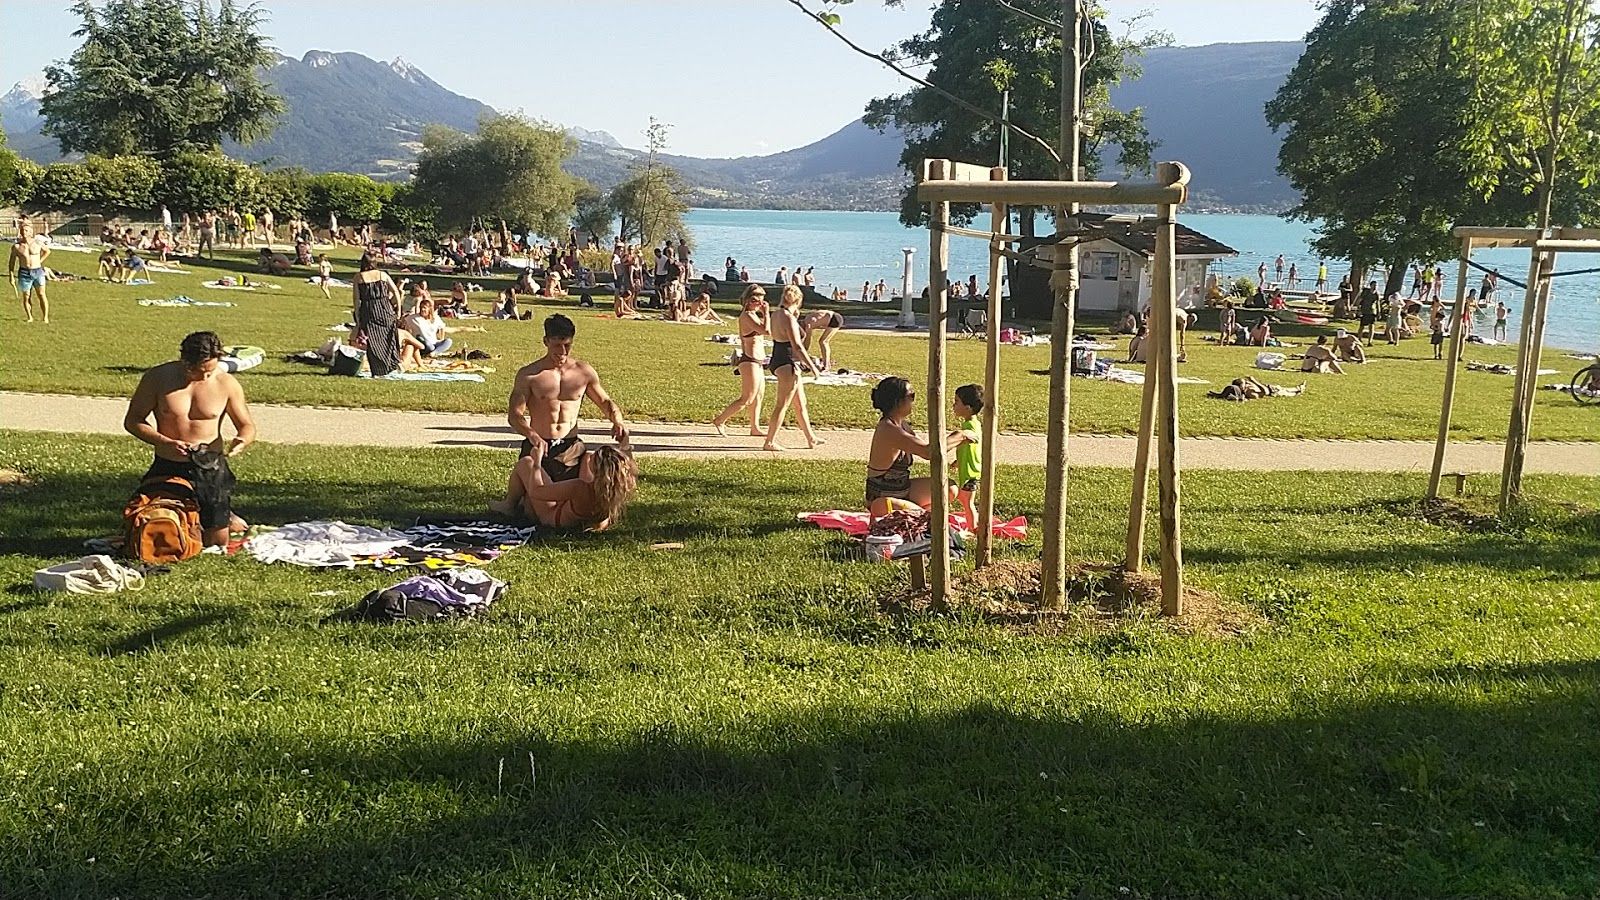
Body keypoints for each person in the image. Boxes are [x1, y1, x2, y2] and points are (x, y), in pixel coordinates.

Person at [122, 331, 256, 546]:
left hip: (209, 466)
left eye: (209, 371)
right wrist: (164, 441)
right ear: (184, 361)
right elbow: (133, 421)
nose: (204, 377)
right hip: (168, 464)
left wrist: (242, 440)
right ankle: (226, 518)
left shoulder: (226, 383)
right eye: (198, 371)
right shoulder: (157, 378)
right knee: (150, 527)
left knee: (216, 543)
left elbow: (247, 425)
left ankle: (225, 518)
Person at [493, 314, 629, 515]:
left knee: (584, 476)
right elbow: (515, 415)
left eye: (567, 345)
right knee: (531, 509)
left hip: (571, 447)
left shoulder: (583, 372)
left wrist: (617, 419)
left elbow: (605, 401)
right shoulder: (529, 374)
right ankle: (510, 504)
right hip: (540, 445)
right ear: (546, 342)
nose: (562, 352)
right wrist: (533, 436)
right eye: (557, 345)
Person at [864, 376, 971, 519]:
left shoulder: (902, 425)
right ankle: (920, 517)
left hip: (903, 488)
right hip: (882, 498)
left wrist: (960, 442)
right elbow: (928, 452)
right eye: (911, 396)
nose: (914, 400)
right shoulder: (888, 429)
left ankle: (914, 514)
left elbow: (931, 448)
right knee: (915, 513)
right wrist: (960, 436)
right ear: (898, 401)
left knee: (949, 488)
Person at [498, 440, 637, 532]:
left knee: (526, 462)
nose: (591, 457)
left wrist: (537, 462)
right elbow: (628, 465)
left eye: (594, 459)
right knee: (586, 456)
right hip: (594, 522)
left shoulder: (579, 487)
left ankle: (509, 505)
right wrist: (625, 443)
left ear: (596, 469)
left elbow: (536, 491)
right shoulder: (621, 486)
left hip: (554, 519)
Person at [762, 285, 824, 451]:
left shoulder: (776, 314)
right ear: (798, 301)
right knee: (782, 404)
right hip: (787, 362)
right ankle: (769, 442)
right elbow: (797, 346)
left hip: (778, 357)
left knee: (800, 403)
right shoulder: (788, 317)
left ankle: (811, 438)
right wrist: (813, 367)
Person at [712, 285, 769, 436]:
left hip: (757, 361)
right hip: (749, 361)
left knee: (758, 395)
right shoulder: (747, 316)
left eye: (762, 301)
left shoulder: (754, 314)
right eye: (757, 301)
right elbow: (766, 331)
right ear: (749, 301)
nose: (760, 304)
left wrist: (762, 313)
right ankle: (720, 420)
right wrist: (767, 313)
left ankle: (754, 427)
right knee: (747, 398)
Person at [352, 253, 404, 377]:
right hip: (385, 308)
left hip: (369, 310)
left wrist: (357, 315)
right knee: (389, 337)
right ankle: (392, 362)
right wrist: (399, 310)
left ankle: (377, 370)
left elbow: (356, 299)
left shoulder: (358, 277)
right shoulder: (383, 275)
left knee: (373, 342)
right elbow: (396, 291)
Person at [951, 384, 985, 530]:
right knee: (965, 500)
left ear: (968, 407)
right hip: (970, 472)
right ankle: (974, 525)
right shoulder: (971, 424)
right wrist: (958, 462)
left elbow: (973, 441)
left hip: (971, 473)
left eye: (957, 401)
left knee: (967, 502)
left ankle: (973, 528)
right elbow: (969, 450)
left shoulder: (970, 427)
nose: (953, 405)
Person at [10, 219, 52, 323]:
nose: (24, 233)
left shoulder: (37, 242)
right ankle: (30, 317)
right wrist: (11, 276)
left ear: (31, 232)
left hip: (37, 271)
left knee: (41, 294)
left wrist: (40, 261)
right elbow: (11, 262)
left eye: (26, 230)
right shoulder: (17, 246)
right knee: (26, 296)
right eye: (22, 231)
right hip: (24, 272)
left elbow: (47, 251)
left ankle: (45, 317)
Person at [405, 297, 474, 357]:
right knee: (428, 345)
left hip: (434, 342)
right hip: (424, 343)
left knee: (448, 341)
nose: (422, 310)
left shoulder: (435, 318)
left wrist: (441, 338)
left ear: (429, 309)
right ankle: (432, 351)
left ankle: (434, 353)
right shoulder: (413, 318)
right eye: (421, 308)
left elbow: (442, 327)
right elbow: (404, 322)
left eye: (424, 308)